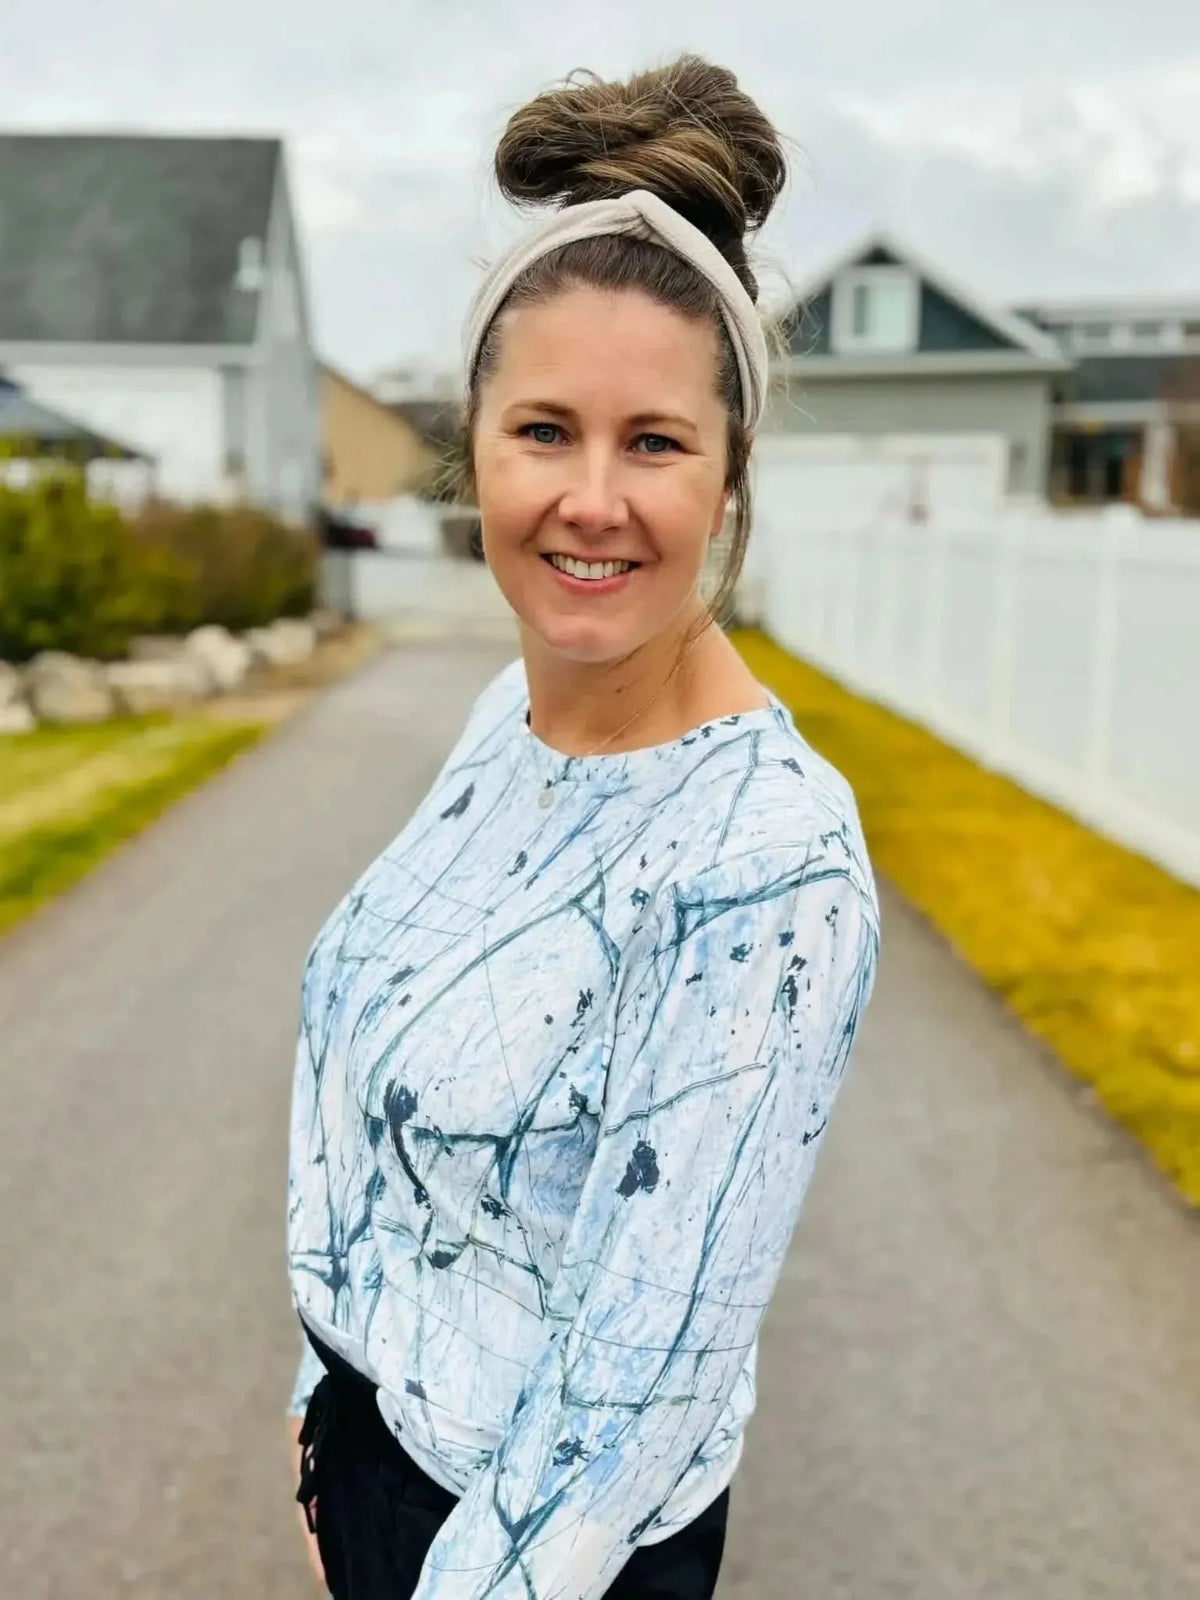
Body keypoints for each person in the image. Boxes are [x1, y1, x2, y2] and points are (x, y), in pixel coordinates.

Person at [285, 53, 880, 1600]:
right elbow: (358, 1050)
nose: (593, 499)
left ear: (729, 480)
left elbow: (634, 1394)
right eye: (544, 430)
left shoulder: (767, 866)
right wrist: (322, 1398)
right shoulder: (514, 717)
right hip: (386, 1465)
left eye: (656, 442)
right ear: (473, 446)